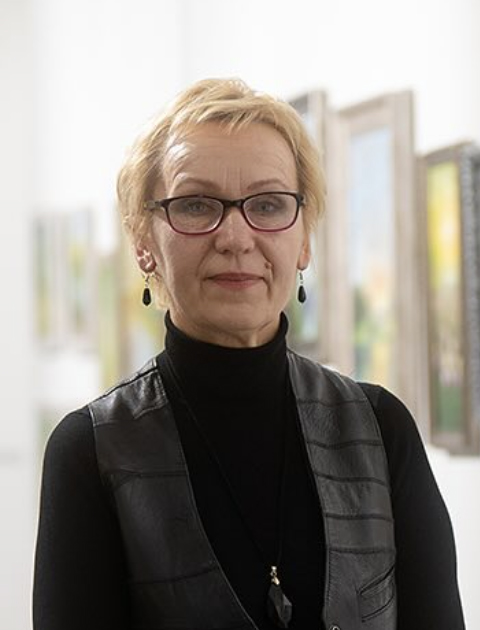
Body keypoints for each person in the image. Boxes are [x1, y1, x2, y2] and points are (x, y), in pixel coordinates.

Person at [33, 78, 466, 630]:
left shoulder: (382, 431)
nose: (236, 237)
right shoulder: (91, 452)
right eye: (196, 205)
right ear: (144, 242)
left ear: (303, 239)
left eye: (267, 204)